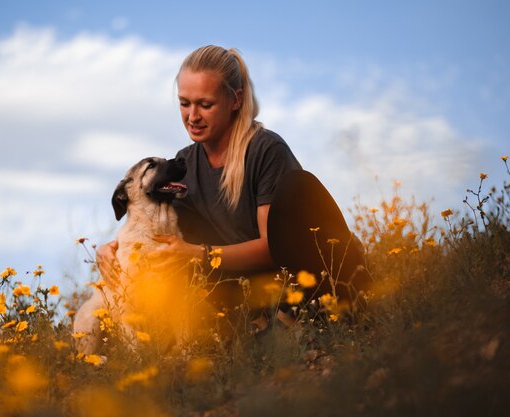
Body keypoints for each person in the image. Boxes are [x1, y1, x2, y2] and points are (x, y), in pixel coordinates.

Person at [97, 45, 369, 330]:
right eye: (184, 103)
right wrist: (112, 249)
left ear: (235, 100)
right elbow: (154, 225)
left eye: (205, 104)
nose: (192, 116)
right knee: (181, 230)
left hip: (312, 281)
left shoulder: (265, 150)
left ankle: (318, 314)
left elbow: (273, 248)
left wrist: (199, 254)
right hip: (251, 295)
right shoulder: (184, 164)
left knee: (296, 186)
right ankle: (259, 327)